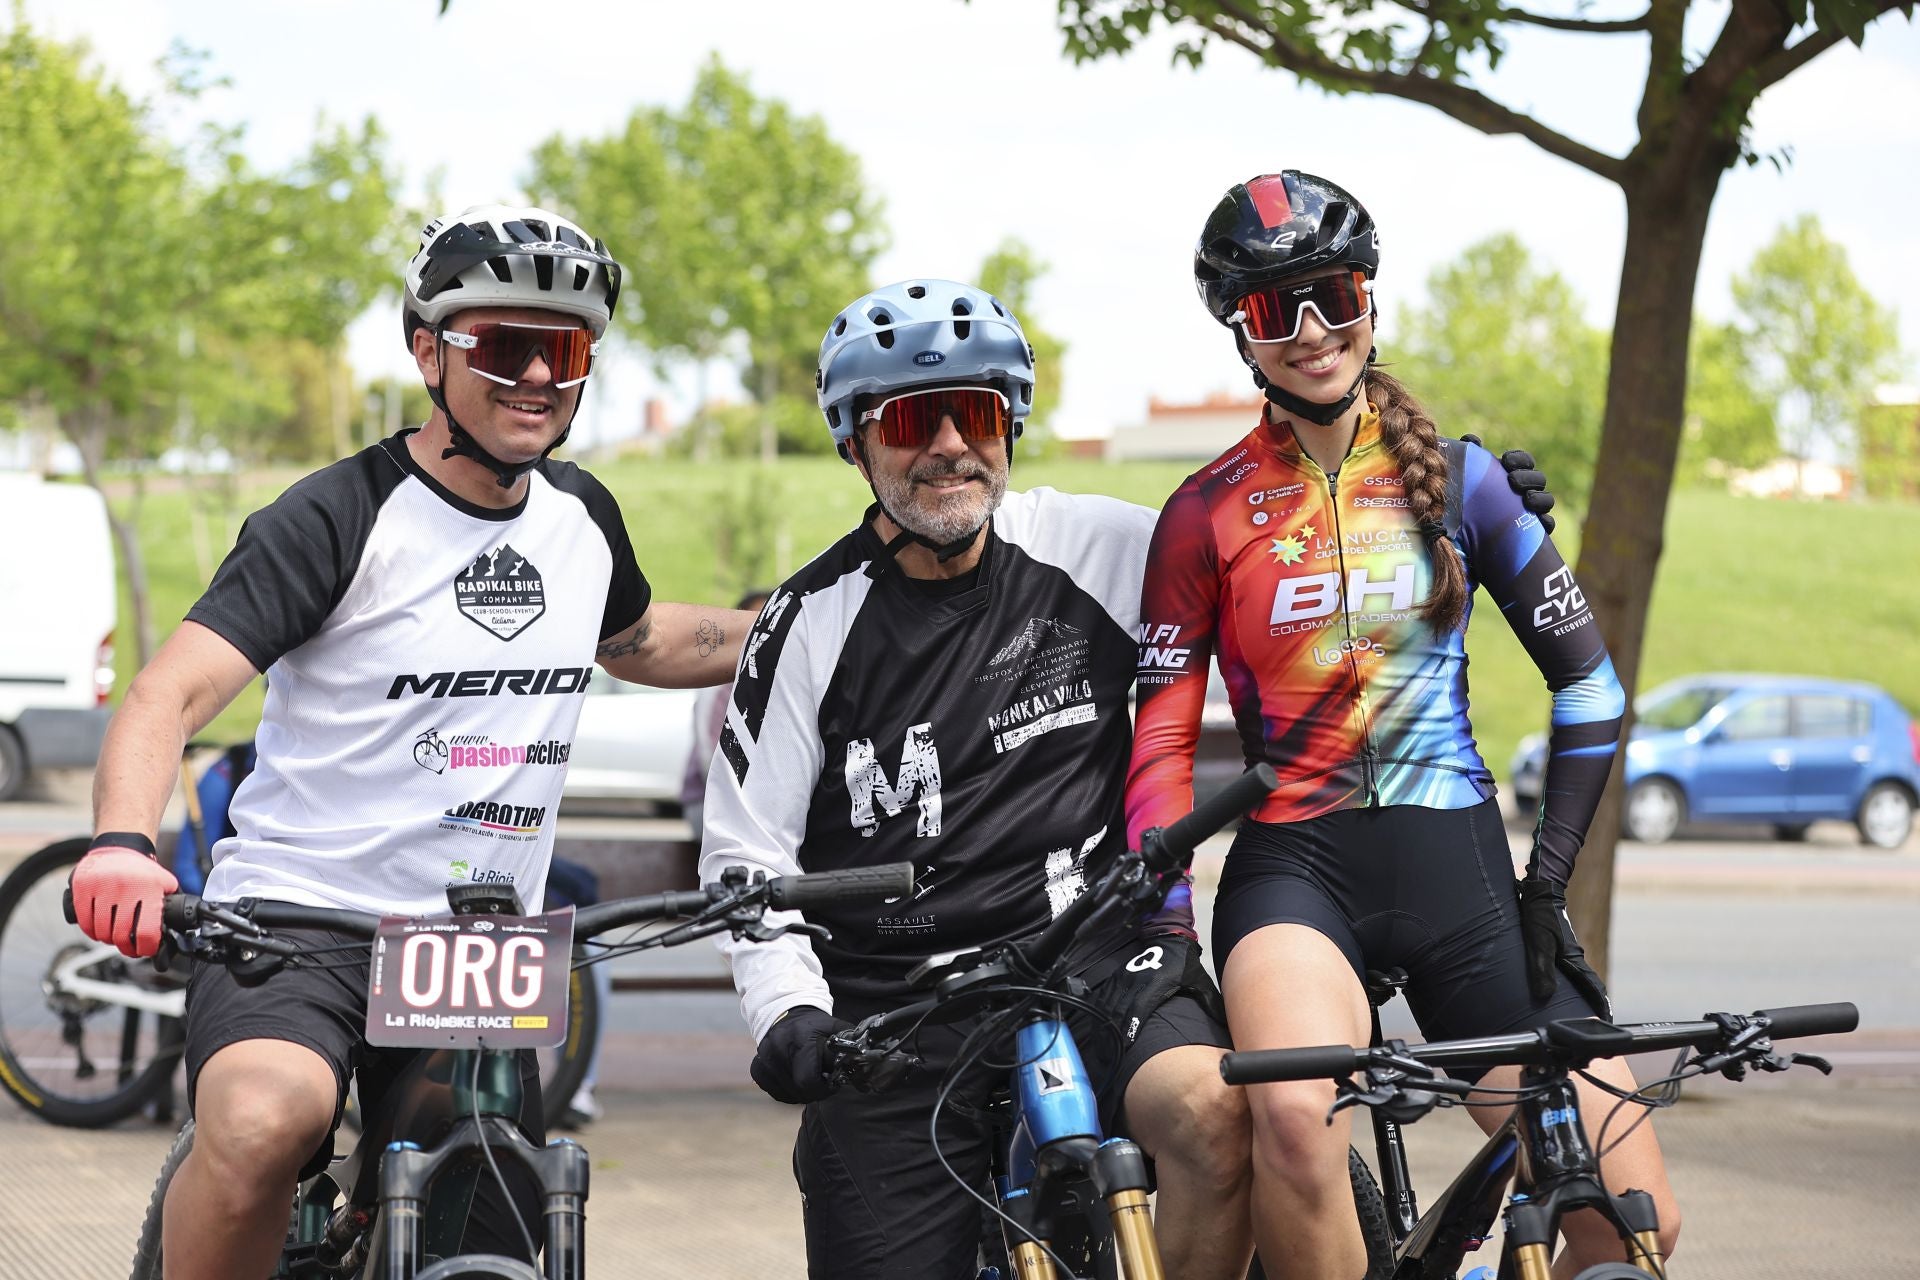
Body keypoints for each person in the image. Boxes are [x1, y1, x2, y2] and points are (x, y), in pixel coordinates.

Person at [68, 203, 754, 1279]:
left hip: (478, 948)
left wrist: (806, 629)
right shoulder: (336, 515)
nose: (538, 375)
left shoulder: (582, 518)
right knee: (260, 1122)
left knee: (484, 1208)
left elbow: (638, 638)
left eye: (564, 350)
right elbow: (167, 693)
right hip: (296, 921)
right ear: (429, 349)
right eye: (505, 344)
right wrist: (119, 842)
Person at [1126, 172, 1679, 1280]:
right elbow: (1162, 745)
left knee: (1633, 1218)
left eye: (1334, 293)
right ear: (1241, 329)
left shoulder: (1467, 482)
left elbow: (1592, 688)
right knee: (1288, 1115)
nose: (1314, 330)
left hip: (1466, 876)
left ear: (1372, 298)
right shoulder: (1202, 512)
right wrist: (1172, 933)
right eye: (1278, 308)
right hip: (1297, 875)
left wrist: (1550, 881)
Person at [699, 279, 1258, 1280]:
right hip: (896, 1008)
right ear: (855, 444)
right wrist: (789, 1014)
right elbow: (746, 854)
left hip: (1089, 960)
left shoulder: (1105, 546)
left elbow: (1288, 548)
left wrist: (1458, 509)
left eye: (982, 411)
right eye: (913, 418)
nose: (953, 443)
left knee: (1217, 1119)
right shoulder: (807, 623)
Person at [681, 588, 773, 841]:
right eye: (753, 622)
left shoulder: (778, 677)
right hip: (709, 802)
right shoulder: (721, 682)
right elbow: (710, 757)